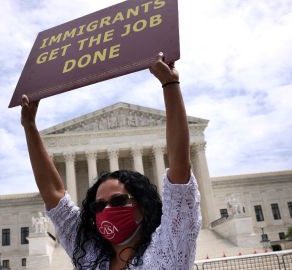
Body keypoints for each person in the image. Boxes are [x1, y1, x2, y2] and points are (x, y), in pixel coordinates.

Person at [20, 52, 201, 269]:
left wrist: (170, 83)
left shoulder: (169, 250)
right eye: (99, 206)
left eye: (117, 201)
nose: (107, 211)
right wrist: (29, 126)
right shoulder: (89, 256)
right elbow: (55, 196)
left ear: (141, 206)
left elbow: (180, 170)